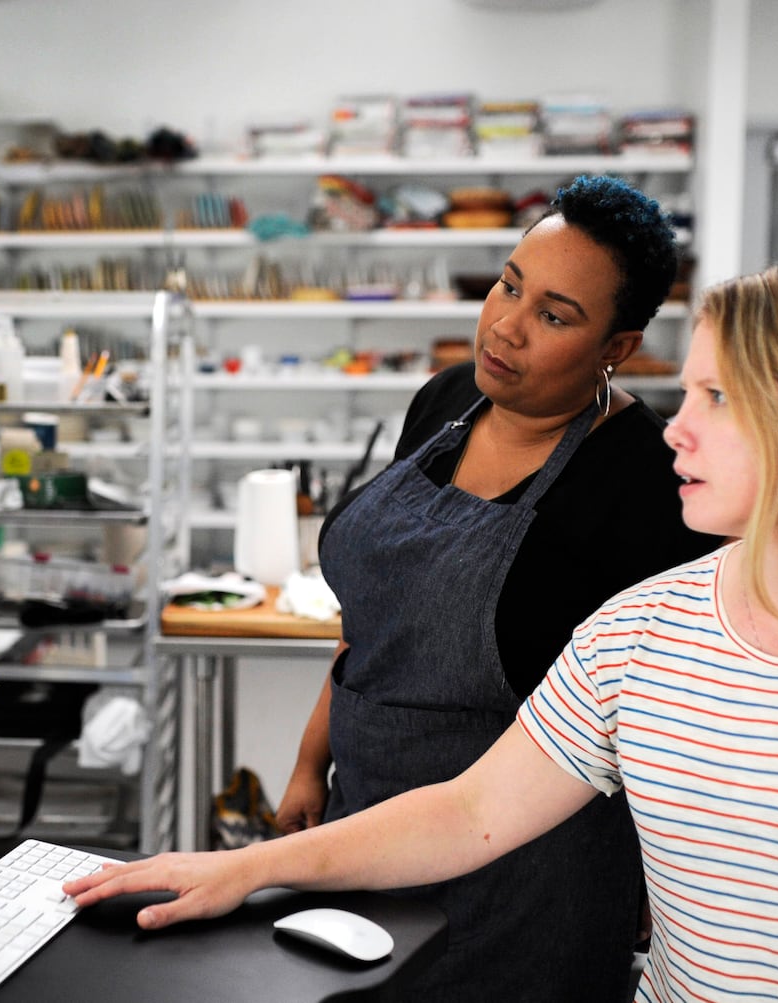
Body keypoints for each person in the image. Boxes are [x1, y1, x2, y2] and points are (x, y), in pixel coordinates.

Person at [68, 256, 778, 1002]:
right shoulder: (643, 633)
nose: (676, 430)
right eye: (685, 393)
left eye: (718, 399)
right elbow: (469, 810)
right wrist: (245, 870)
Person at [272, 173, 721, 1000]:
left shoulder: (650, 480)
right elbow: (372, 622)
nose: (505, 326)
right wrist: (311, 761)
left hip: (529, 880)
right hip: (361, 830)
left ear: (616, 347)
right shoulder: (447, 401)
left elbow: (673, 711)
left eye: (553, 315)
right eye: (508, 285)